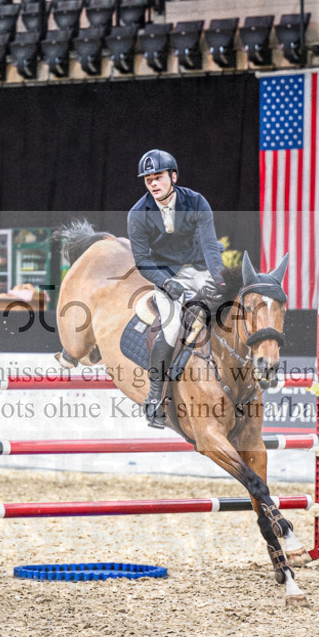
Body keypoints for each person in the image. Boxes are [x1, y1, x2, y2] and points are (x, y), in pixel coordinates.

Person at [127, 149, 225, 429]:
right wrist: (165, 282)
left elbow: (209, 245)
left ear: (173, 176)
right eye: (148, 180)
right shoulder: (137, 214)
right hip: (166, 273)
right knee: (170, 327)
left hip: (198, 266)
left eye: (158, 177)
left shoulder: (196, 202)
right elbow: (143, 261)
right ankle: (154, 398)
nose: (153, 184)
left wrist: (219, 280)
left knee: (227, 310)